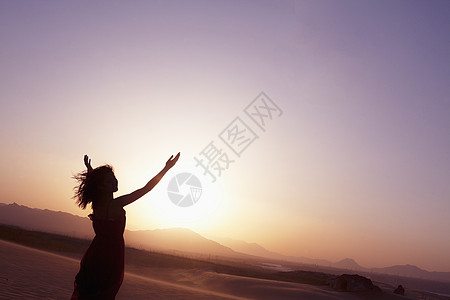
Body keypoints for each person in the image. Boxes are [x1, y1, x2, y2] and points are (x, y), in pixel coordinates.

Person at [71, 153, 180, 300]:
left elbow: (96, 184)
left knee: (89, 291)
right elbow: (146, 189)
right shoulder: (115, 204)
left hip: (95, 253)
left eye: (114, 178)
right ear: (102, 186)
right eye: (110, 181)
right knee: (103, 294)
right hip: (110, 255)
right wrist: (166, 168)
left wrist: (90, 169)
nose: (115, 182)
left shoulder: (96, 204)